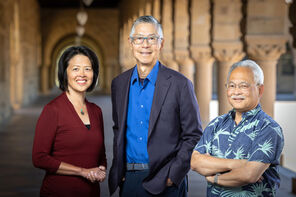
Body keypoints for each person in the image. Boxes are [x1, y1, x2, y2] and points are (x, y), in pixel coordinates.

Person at [108, 15, 203, 197]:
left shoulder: (180, 84)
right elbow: (118, 129)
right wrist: (120, 172)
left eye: (152, 38)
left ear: (161, 43)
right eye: (139, 39)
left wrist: (173, 175)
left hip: (166, 181)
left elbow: (193, 135)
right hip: (129, 180)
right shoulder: (119, 84)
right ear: (131, 42)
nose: (145, 45)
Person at [191, 59, 284, 196]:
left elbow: (249, 175)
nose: (236, 92)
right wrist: (239, 164)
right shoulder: (216, 124)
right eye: (232, 85)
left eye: (244, 86)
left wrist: (215, 177)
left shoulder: (268, 128)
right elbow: (195, 162)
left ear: (260, 89)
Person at [32, 46, 107, 197]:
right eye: (75, 69)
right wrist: (82, 172)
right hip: (59, 191)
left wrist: (101, 169)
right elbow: (39, 158)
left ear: (94, 73)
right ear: (64, 73)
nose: (82, 74)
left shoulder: (96, 111)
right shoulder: (52, 110)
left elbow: (101, 154)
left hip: (91, 192)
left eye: (87, 69)